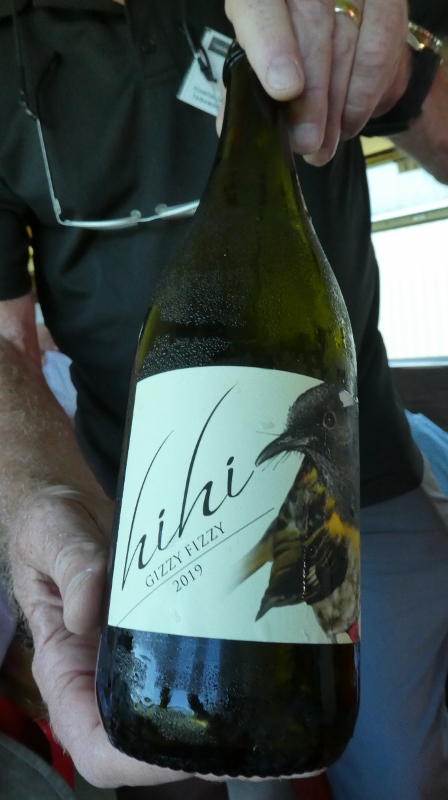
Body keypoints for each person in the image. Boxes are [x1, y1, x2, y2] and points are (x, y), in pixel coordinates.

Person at [0, 0, 447, 799]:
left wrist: (403, 65)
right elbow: (5, 339)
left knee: (406, 776)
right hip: (144, 528)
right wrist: (40, 492)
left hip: (362, 485)